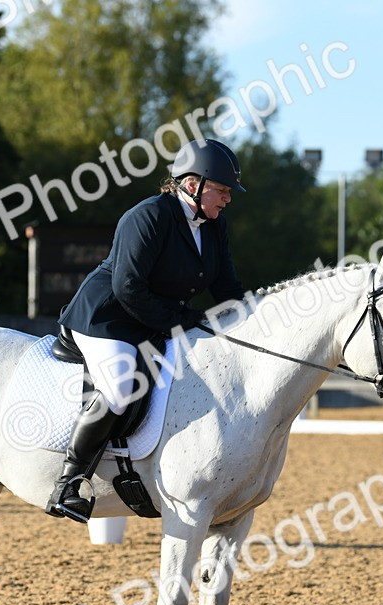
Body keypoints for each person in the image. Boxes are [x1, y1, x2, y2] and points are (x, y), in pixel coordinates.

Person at [46, 139, 248, 523]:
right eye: (222, 191)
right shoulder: (148, 216)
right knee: (121, 386)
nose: (227, 200)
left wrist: (258, 320)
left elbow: (227, 290)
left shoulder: (214, 227)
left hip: (154, 318)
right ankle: (71, 482)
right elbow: (129, 288)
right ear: (193, 185)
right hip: (107, 317)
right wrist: (184, 319)